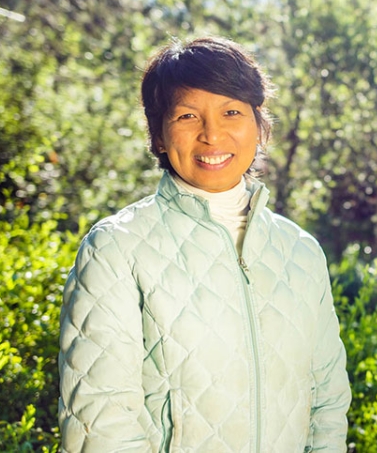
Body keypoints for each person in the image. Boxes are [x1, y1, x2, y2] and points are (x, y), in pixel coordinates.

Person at [58, 36, 351, 452]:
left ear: (259, 124)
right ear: (159, 136)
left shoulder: (301, 252)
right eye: (187, 116)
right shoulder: (115, 250)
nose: (212, 135)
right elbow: (100, 425)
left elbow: (327, 402)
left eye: (231, 112)